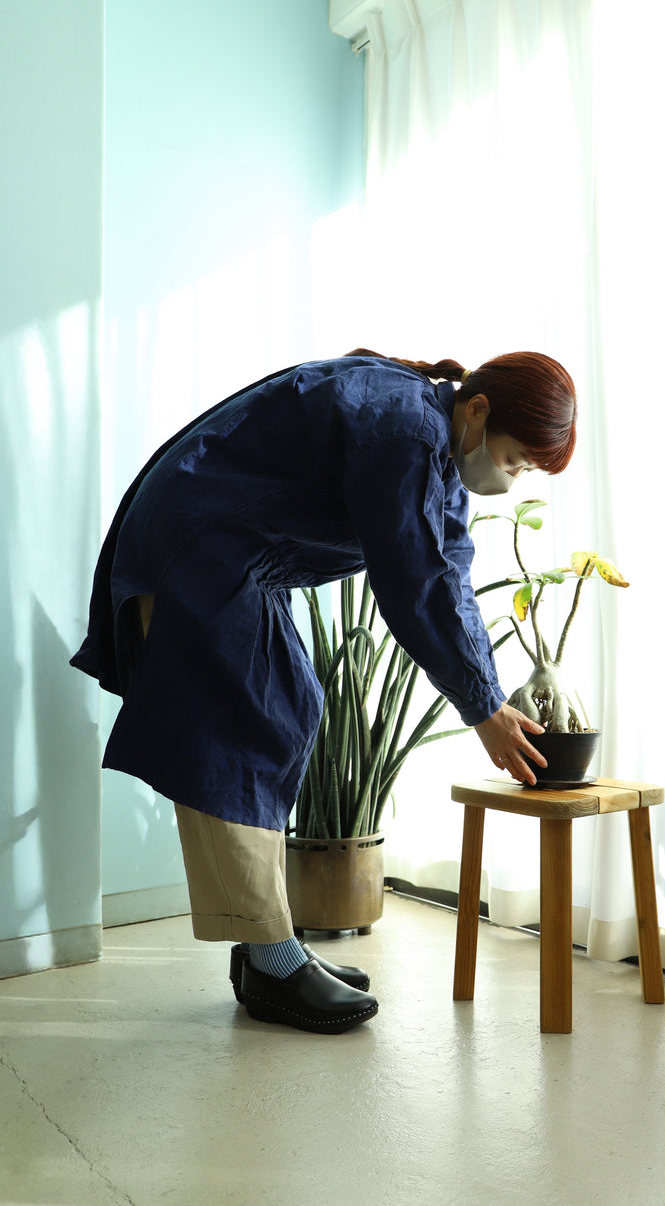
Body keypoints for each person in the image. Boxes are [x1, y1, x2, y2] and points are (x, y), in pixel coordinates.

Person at [71, 349, 577, 1034]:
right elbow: (413, 580)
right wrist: (481, 708)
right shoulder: (405, 432)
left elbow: (449, 573)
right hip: (200, 542)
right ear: (479, 409)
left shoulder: (432, 442)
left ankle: (265, 955)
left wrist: (487, 696)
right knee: (251, 722)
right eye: (516, 460)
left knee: (293, 703)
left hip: (230, 548)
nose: (511, 482)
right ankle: (272, 958)